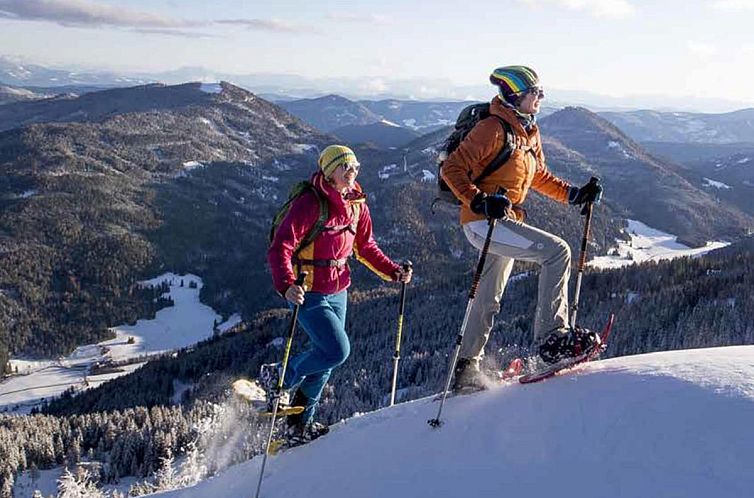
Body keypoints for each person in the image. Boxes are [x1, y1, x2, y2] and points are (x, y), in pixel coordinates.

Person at [440, 65, 603, 391]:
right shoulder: (492, 128)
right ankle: (551, 341)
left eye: (540, 91)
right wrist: (478, 200)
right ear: (516, 95)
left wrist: (574, 195)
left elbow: (538, 176)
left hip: (503, 222)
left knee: (488, 295)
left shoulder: (527, 132)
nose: (541, 96)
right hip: (482, 221)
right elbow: (452, 168)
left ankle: (466, 369)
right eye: (535, 92)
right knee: (558, 252)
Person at [266, 144, 412, 443]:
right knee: (336, 351)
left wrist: (394, 271)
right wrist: (286, 284)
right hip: (308, 291)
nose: (352, 171)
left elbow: (366, 248)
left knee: (327, 359)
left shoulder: (357, 204)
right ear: (329, 170)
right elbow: (281, 246)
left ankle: (300, 423)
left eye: (355, 166)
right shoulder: (310, 203)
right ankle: (280, 377)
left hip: (339, 289)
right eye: (345, 167)